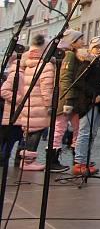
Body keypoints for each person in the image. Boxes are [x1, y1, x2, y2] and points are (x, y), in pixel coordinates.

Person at [1, 34, 53, 172]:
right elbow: (4, 91)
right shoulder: (17, 74)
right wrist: (22, 100)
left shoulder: (29, 70)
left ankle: (20, 165)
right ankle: (9, 167)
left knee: (22, 143)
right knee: (8, 146)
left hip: (24, 115)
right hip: (16, 115)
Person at [70, 36, 100, 176]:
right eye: (97, 47)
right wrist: (93, 94)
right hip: (88, 103)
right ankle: (79, 162)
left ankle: (86, 160)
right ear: (91, 48)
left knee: (92, 133)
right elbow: (79, 82)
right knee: (84, 133)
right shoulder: (87, 63)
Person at [53, 28, 84, 171]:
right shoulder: (70, 55)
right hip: (67, 99)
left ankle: (77, 158)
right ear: (73, 42)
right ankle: (52, 159)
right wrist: (69, 98)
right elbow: (65, 79)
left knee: (77, 128)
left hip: (72, 98)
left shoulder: (74, 55)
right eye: (80, 39)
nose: (83, 42)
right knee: (60, 129)